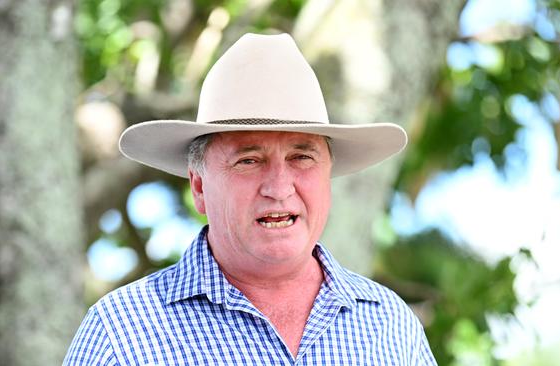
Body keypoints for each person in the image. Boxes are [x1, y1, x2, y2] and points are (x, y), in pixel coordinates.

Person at [64, 33, 437, 365]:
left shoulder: (391, 326)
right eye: (249, 160)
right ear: (198, 187)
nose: (278, 187)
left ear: (327, 176)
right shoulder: (121, 335)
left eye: (301, 157)